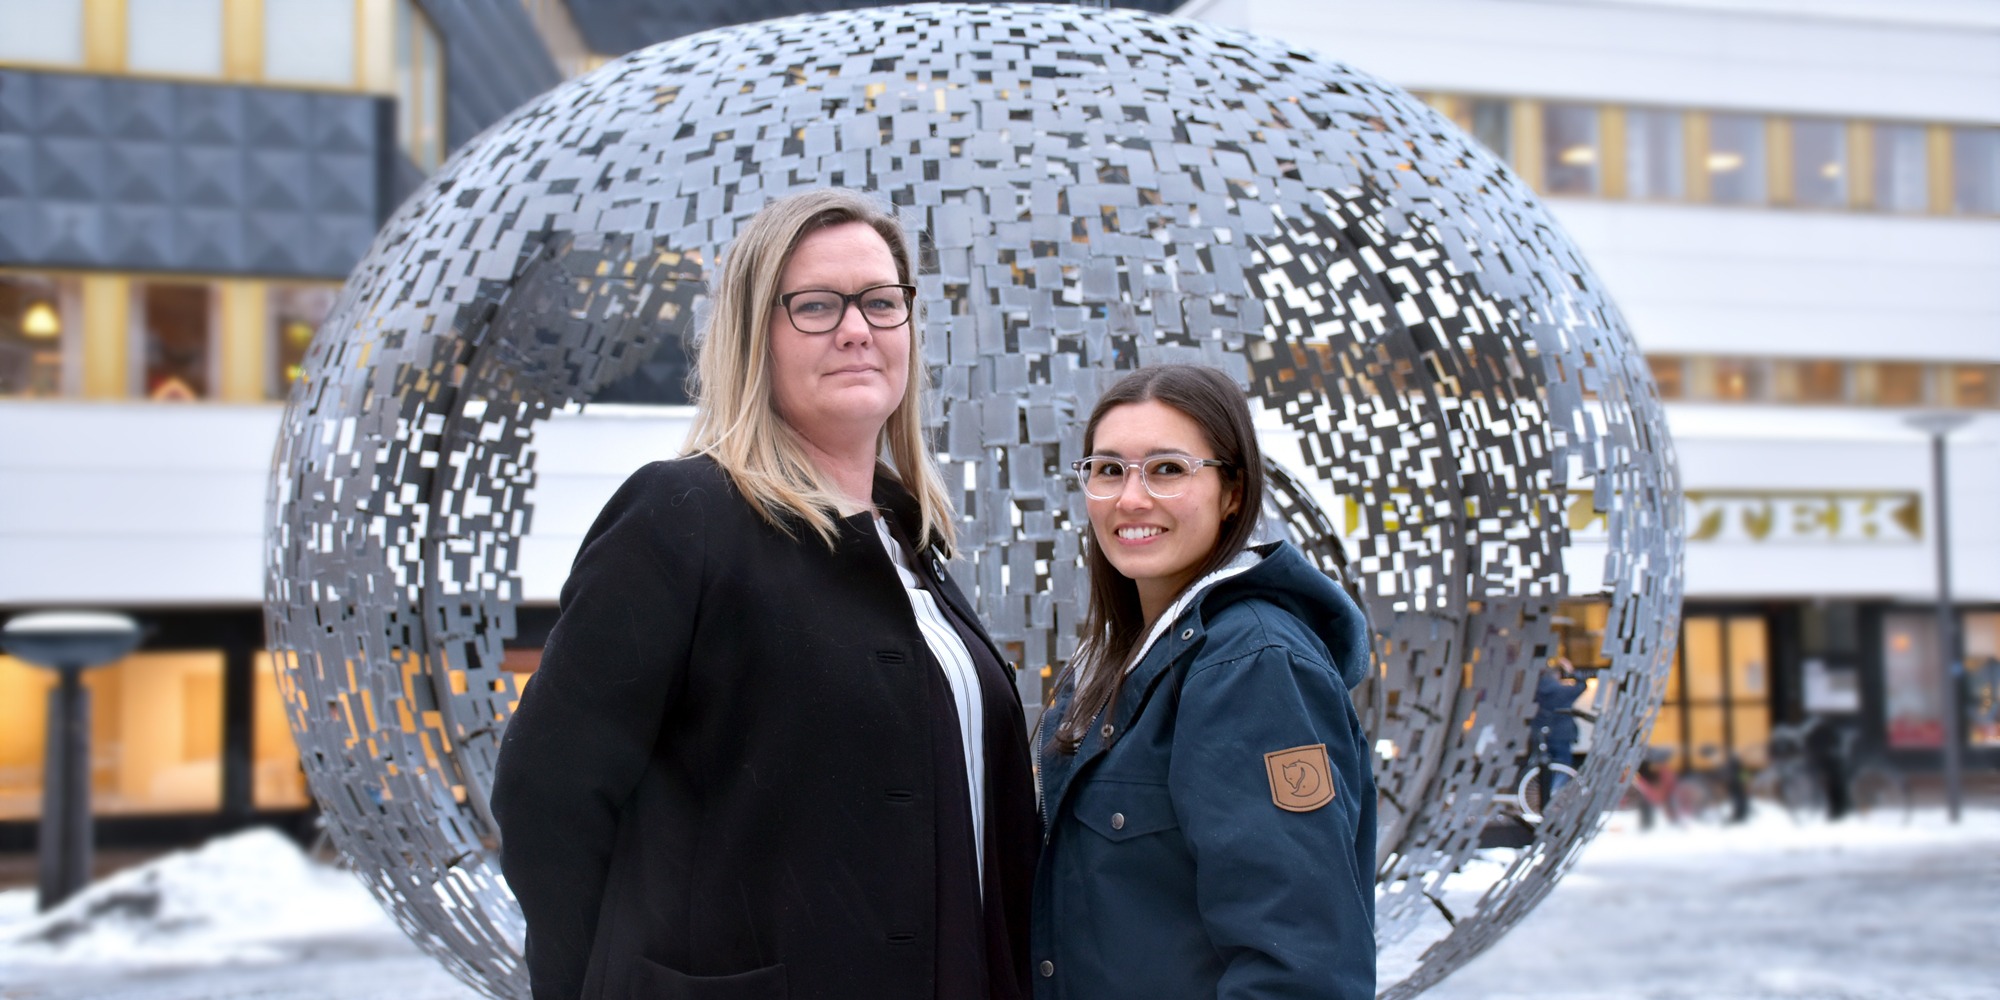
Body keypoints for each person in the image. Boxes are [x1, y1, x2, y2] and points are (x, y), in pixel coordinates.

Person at [491, 189, 1037, 1000]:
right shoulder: (682, 520)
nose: (858, 329)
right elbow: (548, 800)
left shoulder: (911, 546)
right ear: (757, 334)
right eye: (816, 306)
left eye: (882, 303)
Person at [1030, 364, 1376, 1000]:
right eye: (1108, 470)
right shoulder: (1114, 661)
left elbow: (1298, 967)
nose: (1131, 499)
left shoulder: (1251, 667)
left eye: (1167, 469)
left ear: (1235, 491)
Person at [1533, 657, 1586, 793]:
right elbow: (1581, 686)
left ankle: (1543, 793)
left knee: (1543, 766)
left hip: (1541, 733)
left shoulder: (1535, 691)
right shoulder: (1561, 691)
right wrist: (1571, 671)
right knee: (1563, 765)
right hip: (1562, 734)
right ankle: (1555, 792)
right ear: (1557, 675)